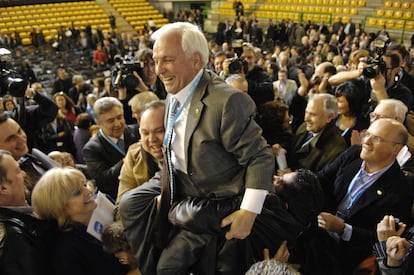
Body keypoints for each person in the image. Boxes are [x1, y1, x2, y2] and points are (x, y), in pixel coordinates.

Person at [120, 22, 306, 275]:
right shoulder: (175, 90)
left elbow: (260, 156)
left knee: (171, 267)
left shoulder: (227, 101)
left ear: (196, 61)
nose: (159, 69)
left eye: (168, 60)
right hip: (180, 182)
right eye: (155, 60)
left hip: (216, 199)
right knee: (130, 204)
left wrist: (248, 213)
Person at [316, 118, 413, 273]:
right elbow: (320, 179)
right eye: (367, 134)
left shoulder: (402, 189)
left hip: (349, 257)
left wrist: (344, 229)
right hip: (318, 232)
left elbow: (383, 239)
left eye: (377, 138)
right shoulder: (353, 154)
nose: (366, 141)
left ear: (396, 149)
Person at [31, 167, 126, 275]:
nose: (88, 191)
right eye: (77, 192)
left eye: (84, 185)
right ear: (58, 206)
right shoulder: (66, 250)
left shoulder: (105, 203)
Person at [0, 150, 56, 275]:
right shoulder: (14, 239)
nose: (24, 174)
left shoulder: (28, 206)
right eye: (18, 171)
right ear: (3, 188)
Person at [83, 97, 139, 200]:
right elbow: (104, 180)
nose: (117, 124)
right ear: (98, 123)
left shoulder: (137, 131)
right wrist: (129, 157)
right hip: (121, 199)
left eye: (119, 117)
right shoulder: (91, 149)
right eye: (110, 121)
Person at [275, 93, 347, 172]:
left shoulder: (336, 150)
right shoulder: (306, 126)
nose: (306, 119)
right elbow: (293, 145)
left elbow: (321, 180)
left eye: (313, 114)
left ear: (329, 117)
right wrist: (282, 148)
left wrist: (294, 177)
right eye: (306, 112)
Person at [0, 113, 59, 202]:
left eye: (19, 131)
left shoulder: (35, 154)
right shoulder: (13, 184)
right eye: (11, 138)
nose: (21, 139)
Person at [117, 100, 164, 203]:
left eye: (159, 131)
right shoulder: (134, 155)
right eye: (145, 133)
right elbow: (121, 209)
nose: (152, 139)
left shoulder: (188, 155)